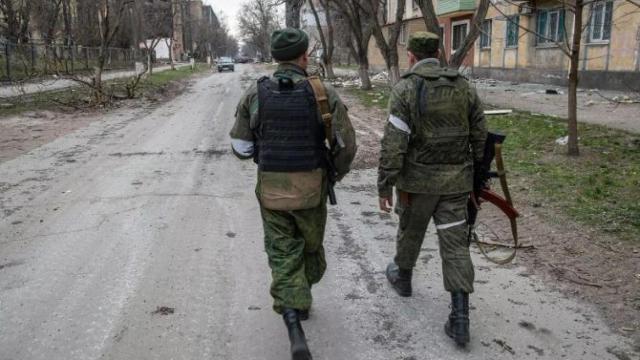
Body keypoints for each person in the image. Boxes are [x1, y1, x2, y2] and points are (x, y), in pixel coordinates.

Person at [229, 28, 356, 360]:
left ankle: (293, 309)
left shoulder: (255, 94)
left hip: (272, 191)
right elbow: (347, 146)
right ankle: (297, 310)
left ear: (274, 58)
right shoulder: (322, 93)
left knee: (283, 252)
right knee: (311, 249)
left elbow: (240, 147)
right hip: (312, 189)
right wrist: (334, 175)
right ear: (304, 57)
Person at [377, 31, 487, 347]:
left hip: (417, 184)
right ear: (437, 53)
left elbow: (394, 145)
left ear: (410, 56)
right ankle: (461, 318)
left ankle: (403, 278)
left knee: (411, 231)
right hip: (456, 184)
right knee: (455, 245)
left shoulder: (406, 88)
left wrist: (385, 183)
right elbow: (480, 132)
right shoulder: (463, 86)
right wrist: (475, 174)